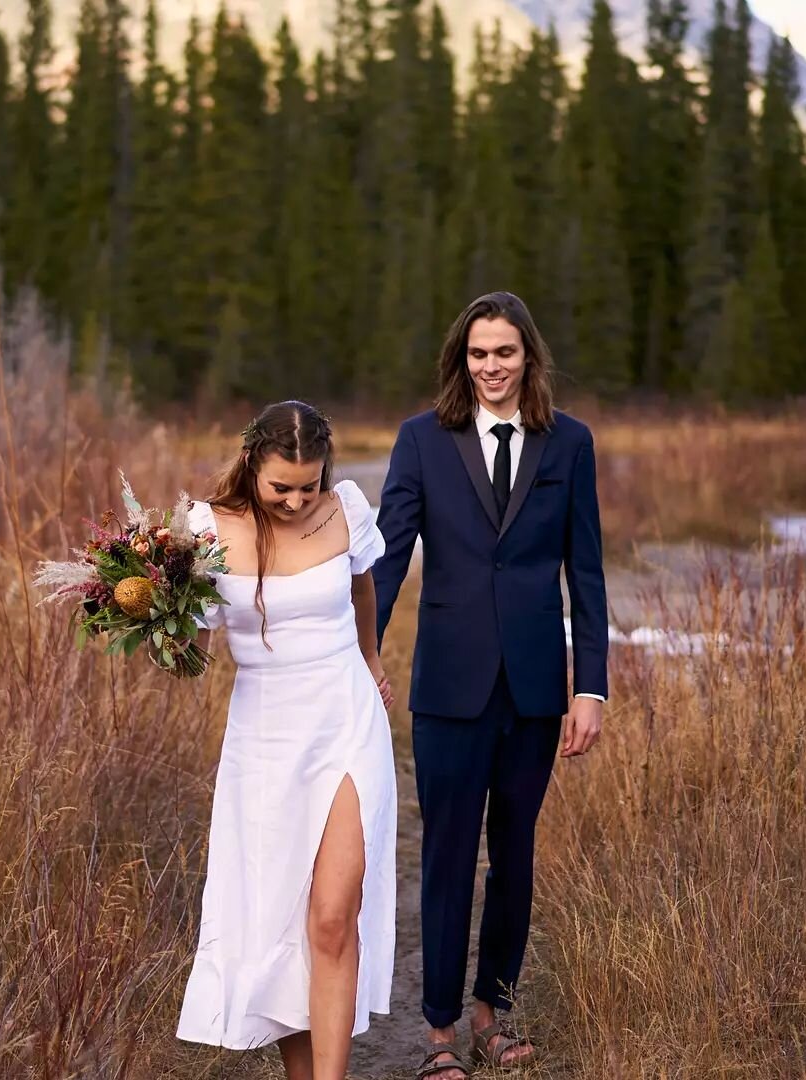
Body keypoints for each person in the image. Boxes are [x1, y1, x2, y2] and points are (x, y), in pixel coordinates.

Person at [373, 292, 609, 1078]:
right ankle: (440, 1034)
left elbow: (588, 574)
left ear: (528, 357)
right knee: (444, 853)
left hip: (537, 692)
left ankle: (490, 1016)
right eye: (478, 354)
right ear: (460, 360)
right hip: (447, 685)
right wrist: (356, 654)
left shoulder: (569, 443)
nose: (491, 367)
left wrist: (591, 689)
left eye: (504, 353)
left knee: (514, 855)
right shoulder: (421, 440)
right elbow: (389, 555)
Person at [176, 401, 397, 1080]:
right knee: (278, 918)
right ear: (252, 466)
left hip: (346, 721)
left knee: (334, 915)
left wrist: (371, 659)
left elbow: (362, 586)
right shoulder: (206, 532)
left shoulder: (347, 508)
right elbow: (189, 647)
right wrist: (161, 621)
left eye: (308, 485)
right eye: (282, 488)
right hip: (266, 739)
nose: (299, 501)